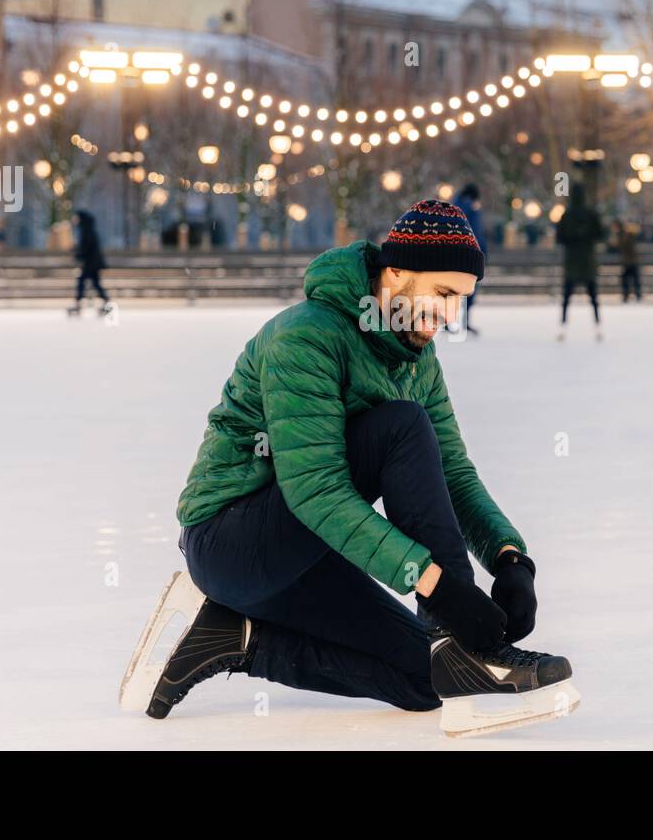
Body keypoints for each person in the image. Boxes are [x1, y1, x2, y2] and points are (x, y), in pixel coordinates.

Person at [147, 199, 575, 732]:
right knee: (401, 425)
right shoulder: (305, 336)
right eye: (443, 294)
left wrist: (512, 560)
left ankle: (236, 640)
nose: (451, 316)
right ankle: (461, 644)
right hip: (230, 542)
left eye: (462, 300)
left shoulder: (416, 355)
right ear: (395, 272)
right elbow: (315, 490)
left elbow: (454, 474)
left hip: (308, 551)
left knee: (426, 681)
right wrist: (440, 587)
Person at [555, 182, 605, 341]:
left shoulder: (566, 215)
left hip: (572, 262)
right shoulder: (591, 214)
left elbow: (560, 238)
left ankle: (562, 325)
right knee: (593, 296)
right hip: (588, 261)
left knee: (566, 297)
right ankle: (598, 325)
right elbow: (601, 234)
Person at [454, 183, 485, 335]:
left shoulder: (455, 207)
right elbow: (476, 233)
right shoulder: (471, 209)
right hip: (470, 254)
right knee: (468, 290)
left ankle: (452, 322)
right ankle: (464, 322)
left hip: (457, 254)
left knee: (454, 290)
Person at [70, 210, 110, 314]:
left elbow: (87, 249)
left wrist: (78, 253)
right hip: (91, 264)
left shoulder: (87, 232)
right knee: (94, 283)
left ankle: (78, 304)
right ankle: (106, 302)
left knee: (83, 283)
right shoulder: (87, 230)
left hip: (90, 264)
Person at [613, 219, 642, 302]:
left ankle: (634, 294)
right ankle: (630, 295)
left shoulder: (625, 234)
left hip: (630, 261)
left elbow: (626, 245)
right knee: (629, 279)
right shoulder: (621, 234)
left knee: (632, 279)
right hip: (628, 261)